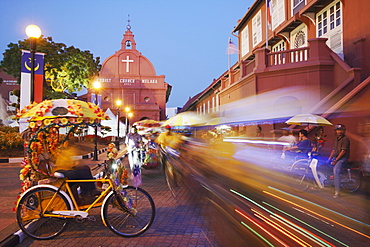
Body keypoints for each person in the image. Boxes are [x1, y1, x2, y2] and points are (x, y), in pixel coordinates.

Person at [327, 124, 350, 198]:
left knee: (336, 170)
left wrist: (336, 160)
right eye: (338, 130)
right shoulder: (336, 139)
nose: (340, 131)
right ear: (336, 131)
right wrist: (329, 159)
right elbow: (334, 150)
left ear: (344, 131)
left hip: (343, 158)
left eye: (341, 130)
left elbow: (343, 151)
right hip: (336, 157)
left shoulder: (345, 139)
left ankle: (337, 191)